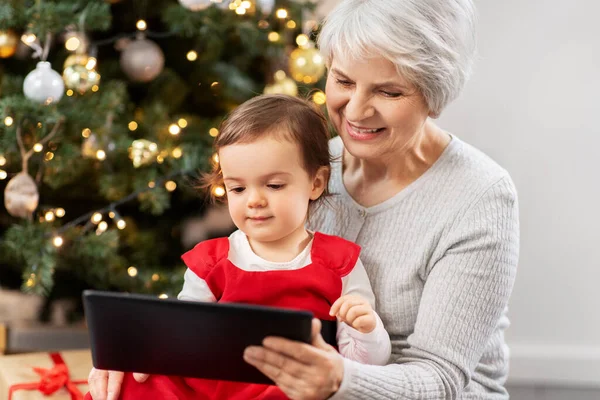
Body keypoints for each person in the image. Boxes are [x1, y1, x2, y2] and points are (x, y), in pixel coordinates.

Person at [89, 0, 520, 398]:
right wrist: (136, 353)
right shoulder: (308, 167)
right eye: (344, 80)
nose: (355, 111)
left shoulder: (479, 197)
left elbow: (441, 379)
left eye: (388, 92)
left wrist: (338, 379)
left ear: (434, 95)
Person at [86, 94, 392, 400]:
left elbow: (361, 369)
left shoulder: (339, 262)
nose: (254, 200)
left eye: (274, 185)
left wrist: (367, 331)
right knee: (134, 378)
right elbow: (183, 340)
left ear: (315, 183)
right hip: (217, 384)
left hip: (291, 387)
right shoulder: (212, 261)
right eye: (238, 188)